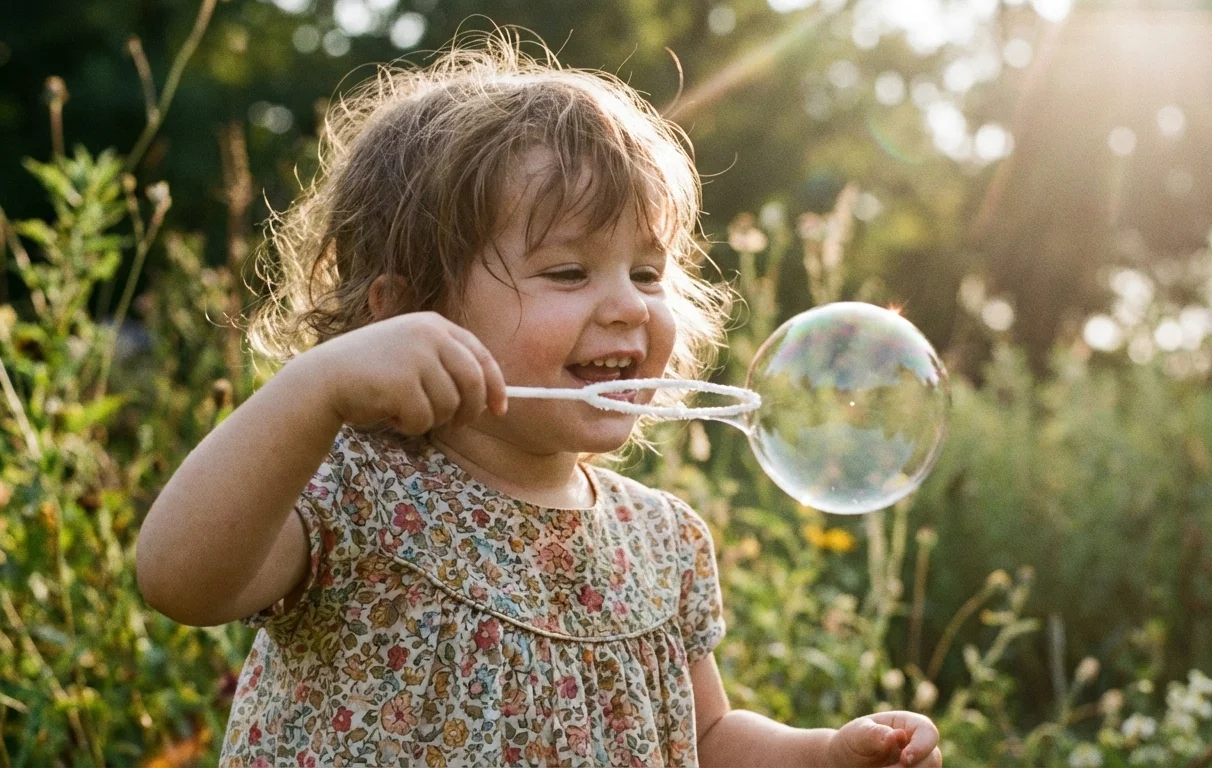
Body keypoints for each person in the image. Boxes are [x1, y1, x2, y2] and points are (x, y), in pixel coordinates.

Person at [136, 31, 942, 768]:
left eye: (649, 273)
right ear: (406, 310)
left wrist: (824, 757)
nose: (630, 305)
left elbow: (705, 738)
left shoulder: (662, 542)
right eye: (568, 272)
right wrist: (316, 388)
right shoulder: (356, 493)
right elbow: (180, 577)